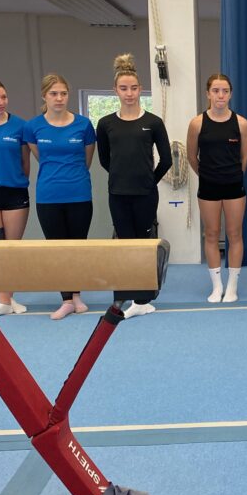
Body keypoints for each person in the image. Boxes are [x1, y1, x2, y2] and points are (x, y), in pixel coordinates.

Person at [97, 54, 172, 317]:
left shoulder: (153, 122)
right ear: (115, 91)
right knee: (123, 244)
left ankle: (142, 300)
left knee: (143, 244)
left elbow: (167, 159)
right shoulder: (106, 124)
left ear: (140, 89)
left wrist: (149, 180)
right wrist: (121, 176)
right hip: (118, 193)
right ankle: (122, 296)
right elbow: (105, 159)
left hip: (145, 194)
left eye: (133, 88)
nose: (129, 93)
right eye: (123, 88)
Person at [24, 74, 96, 320]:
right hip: (48, 196)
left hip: (79, 194)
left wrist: (71, 177)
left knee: (77, 247)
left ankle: (76, 295)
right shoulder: (33, 127)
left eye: (63, 93)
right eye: (53, 93)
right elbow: (40, 158)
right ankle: (66, 299)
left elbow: (86, 160)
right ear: (44, 96)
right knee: (58, 249)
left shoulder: (84, 125)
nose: (59, 98)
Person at [187, 73, 247, 303]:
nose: (220, 95)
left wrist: (232, 175)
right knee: (212, 234)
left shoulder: (241, 124)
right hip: (208, 187)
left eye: (225, 91)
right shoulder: (197, 123)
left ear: (230, 94)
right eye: (216, 91)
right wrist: (207, 175)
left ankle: (232, 286)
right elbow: (191, 156)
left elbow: (244, 157)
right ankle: (217, 286)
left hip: (234, 186)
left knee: (234, 234)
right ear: (208, 94)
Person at [0, 78, 30, 317]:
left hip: (14, 192)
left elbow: (25, 162)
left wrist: (18, 181)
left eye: (3, 97)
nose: (0, 102)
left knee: (11, 248)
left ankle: (9, 297)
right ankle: (4, 300)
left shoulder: (20, 126)